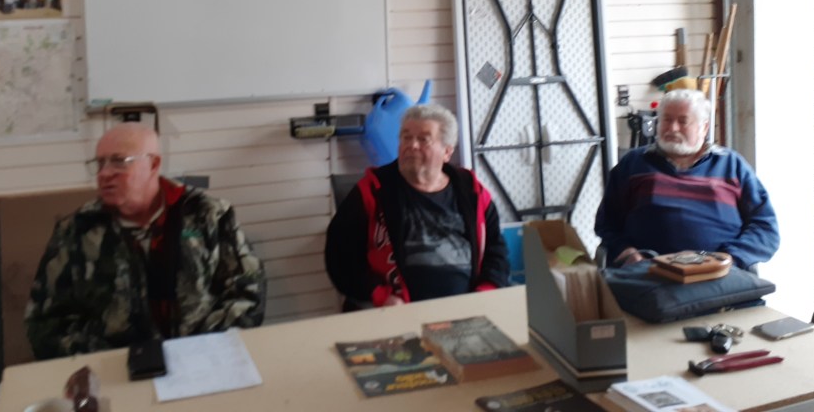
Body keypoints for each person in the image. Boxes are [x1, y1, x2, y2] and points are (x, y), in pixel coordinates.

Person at [25, 123, 266, 359]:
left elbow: (247, 291)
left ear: (153, 164)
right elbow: (46, 322)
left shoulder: (208, 215)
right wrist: (107, 359)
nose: (104, 173)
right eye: (100, 163)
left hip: (202, 359)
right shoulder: (77, 230)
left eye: (119, 161)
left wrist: (204, 349)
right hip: (112, 366)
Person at [324, 103, 509, 307]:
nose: (412, 145)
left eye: (423, 139)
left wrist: (486, 291)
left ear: (447, 152)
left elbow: (496, 251)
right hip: (398, 311)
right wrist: (380, 295)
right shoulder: (372, 191)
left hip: (467, 307)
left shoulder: (472, 192)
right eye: (406, 137)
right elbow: (339, 257)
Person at [595, 88, 779, 270]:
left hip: (719, 274)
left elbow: (765, 227)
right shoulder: (633, 163)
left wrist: (732, 258)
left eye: (683, 121)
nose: (672, 128)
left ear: (704, 127)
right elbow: (607, 223)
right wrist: (627, 253)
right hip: (649, 272)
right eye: (667, 119)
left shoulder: (732, 165)